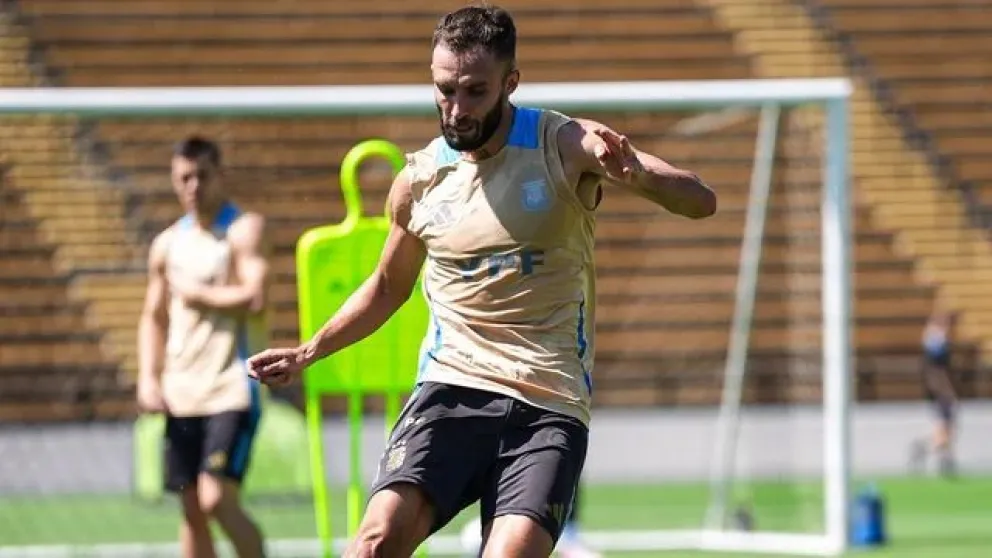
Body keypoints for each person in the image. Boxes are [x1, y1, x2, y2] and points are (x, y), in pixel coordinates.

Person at [248, 5, 716, 557]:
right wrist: (309, 352)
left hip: (549, 403)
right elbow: (386, 287)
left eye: (475, 91)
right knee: (372, 545)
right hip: (452, 390)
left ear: (510, 83)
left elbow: (700, 201)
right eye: (445, 90)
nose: (456, 108)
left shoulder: (562, 144)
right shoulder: (418, 181)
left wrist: (638, 175)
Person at [137, 136, 270, 558]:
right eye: (185, 178)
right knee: (192, 507)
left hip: (231, 386)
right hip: (181, 391)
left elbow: (255, 296)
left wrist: (198, 294)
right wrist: (148, 377)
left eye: (202, 176)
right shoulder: (166, 245)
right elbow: (153, 317)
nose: (194, 186)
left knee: (216, 499)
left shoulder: (244, 229)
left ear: (220, 175)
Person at [910, 306, 958, 477]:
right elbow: (936, 370)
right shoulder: (935, 341)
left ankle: (940, 456)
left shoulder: (936, 340)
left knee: (946, 426)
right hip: (939, 391)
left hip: (938, 390)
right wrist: (946, 390)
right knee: (945, 426)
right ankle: (932, 453)